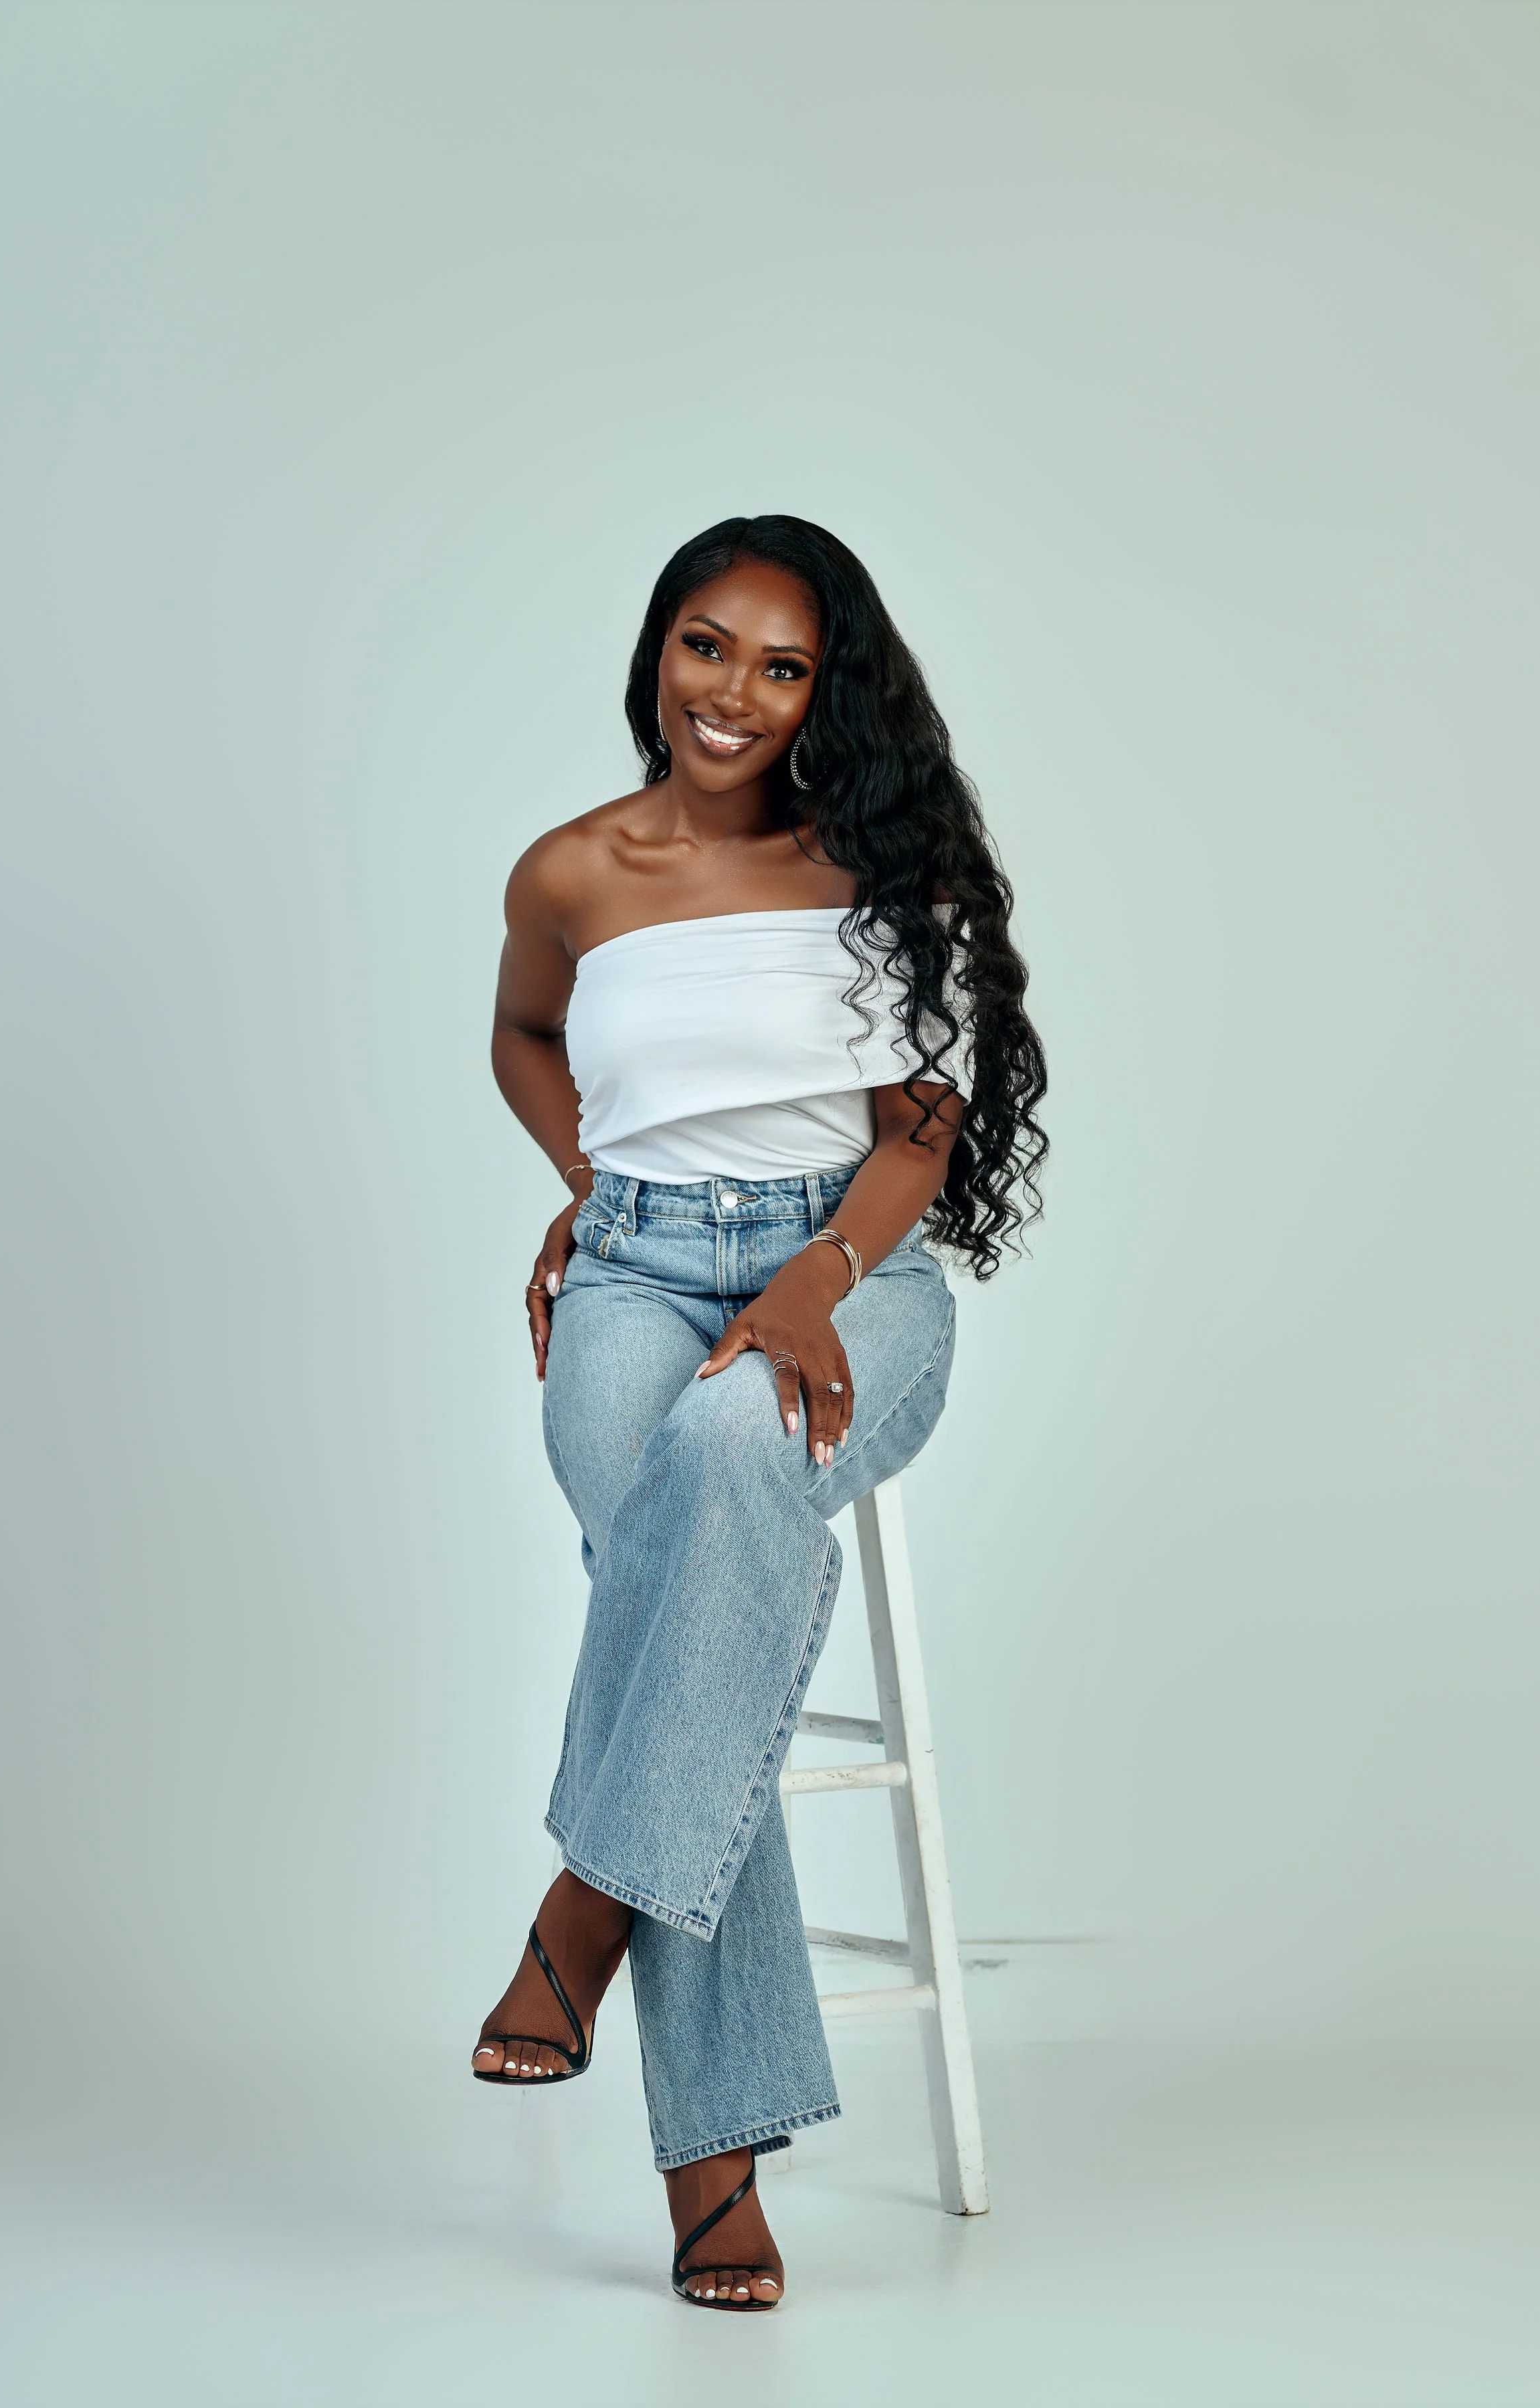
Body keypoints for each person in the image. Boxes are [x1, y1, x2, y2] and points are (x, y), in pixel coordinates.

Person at [472, 514, 1047, 2310]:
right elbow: (524, 1034)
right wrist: (595, 1181)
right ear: (659, 648)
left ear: (827, 696)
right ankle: (709, 2160)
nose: (734, 693)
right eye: (708, 647)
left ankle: (585, 1915)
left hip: (856, 1277)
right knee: (704, 1624)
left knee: (726, 1480)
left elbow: (922, 1134)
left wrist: (810, 1288)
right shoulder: (571, 872)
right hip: (634, 1284)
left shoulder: (889, 867)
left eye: (781, 667)